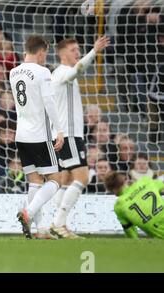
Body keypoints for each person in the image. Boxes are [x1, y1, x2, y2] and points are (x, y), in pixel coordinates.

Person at [50, 36, 110, 239]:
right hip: (69, 135)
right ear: (62, 53)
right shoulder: (63, 72)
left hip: (65, 135)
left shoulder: (60, 74)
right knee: (82, 177)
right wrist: (93, 51)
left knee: (65, 179)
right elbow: (78, 70)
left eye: (79, 49)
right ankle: (58, 224)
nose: (78, 53)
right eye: (74, 50)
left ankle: (60, 225)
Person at [9, 35, 65, 239]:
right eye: (46, 53)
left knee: (34, 181)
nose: (45, 57)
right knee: (56, 179)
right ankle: (29, 213)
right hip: (40, 135)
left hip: (21, 134)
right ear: (41, 51)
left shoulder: (13, 72)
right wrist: (59, 130)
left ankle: (40, 230)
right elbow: (49, 103)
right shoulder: (42, 72)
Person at [105, 171, 164, 239]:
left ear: (113, 190)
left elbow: (131, 233)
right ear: (125, 180)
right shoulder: (145, 181)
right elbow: (161, 185)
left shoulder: (119, 205)